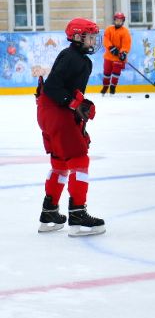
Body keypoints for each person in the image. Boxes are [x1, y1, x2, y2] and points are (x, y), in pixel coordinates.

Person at [36, 18, 105, 236]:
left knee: (59, 162)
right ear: (77, 37)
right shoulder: (74, 58)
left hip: (48, 113)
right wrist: (74, 103)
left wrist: (78, 105)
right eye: (90, 36)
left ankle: (49, 212)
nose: (93, 40)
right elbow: (54, 85)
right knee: (79, 160)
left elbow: (60, 88)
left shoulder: (73, 56)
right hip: (57, 112)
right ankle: (77, 215)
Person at [101, 12, 132, 95]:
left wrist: (123, 53)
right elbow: (106, 39)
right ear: (114, 20)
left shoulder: (125, 32)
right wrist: (111, 47)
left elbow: (126, 44)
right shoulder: (108, 29)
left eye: (120, 20)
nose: (118, 22)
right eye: (117, 20)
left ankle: (113, 87)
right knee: (106, 73)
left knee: (116, 73)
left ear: (123, 21)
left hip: (118, 57)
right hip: (108, 56)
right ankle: (105, 86)